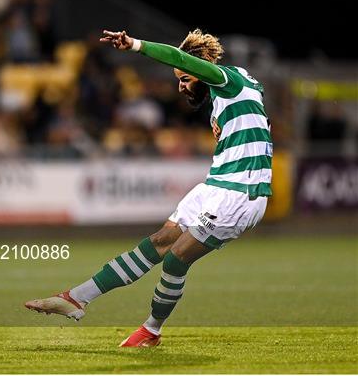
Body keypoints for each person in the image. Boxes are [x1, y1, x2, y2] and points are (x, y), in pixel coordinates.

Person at [25, 29, 273, 347]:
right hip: (214, 186)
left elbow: (185, 59)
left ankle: (151, 331)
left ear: (199, 70)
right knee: (159, 241)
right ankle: (76, 298)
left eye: (185, 78)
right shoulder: (234, 89)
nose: (181, 87)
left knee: (175, 258)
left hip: (241, 192)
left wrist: (136, 45)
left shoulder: (228, 80)